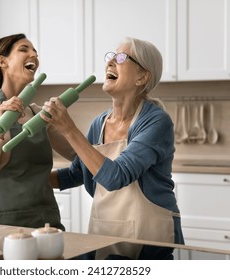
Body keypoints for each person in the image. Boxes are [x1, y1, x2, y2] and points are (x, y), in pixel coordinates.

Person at [42, 37, 184, 253]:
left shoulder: (156, 122)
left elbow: (115, 177)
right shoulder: (99, 123)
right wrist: (25, 179)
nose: (110, 62)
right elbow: (77, 173)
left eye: (121, 58)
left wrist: (67, 128)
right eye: (110, 56)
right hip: (104, 230)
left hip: (150, 237)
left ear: (142, 77)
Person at [0, 34, 75, 230]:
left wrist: (66, 123)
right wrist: (2, 125)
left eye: (35, 52)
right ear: (2, 61)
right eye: (24, 49)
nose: (33, 54)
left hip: (47, 221)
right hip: (4, 223)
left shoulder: (39, 113)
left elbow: (79, 154)